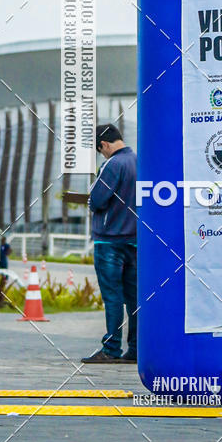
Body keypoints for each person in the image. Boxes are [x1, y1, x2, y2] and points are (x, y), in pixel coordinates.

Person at [82, 124, 138, 365]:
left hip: (110, 241)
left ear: (103, 145)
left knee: (113, 296)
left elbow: (97, 200)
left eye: (99, 150)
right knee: (134, 298)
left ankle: (111, 348)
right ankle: (135, 349)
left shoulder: (113, 165)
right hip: (135, 241)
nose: (101, 154)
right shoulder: (139, 161)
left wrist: (90, 198)